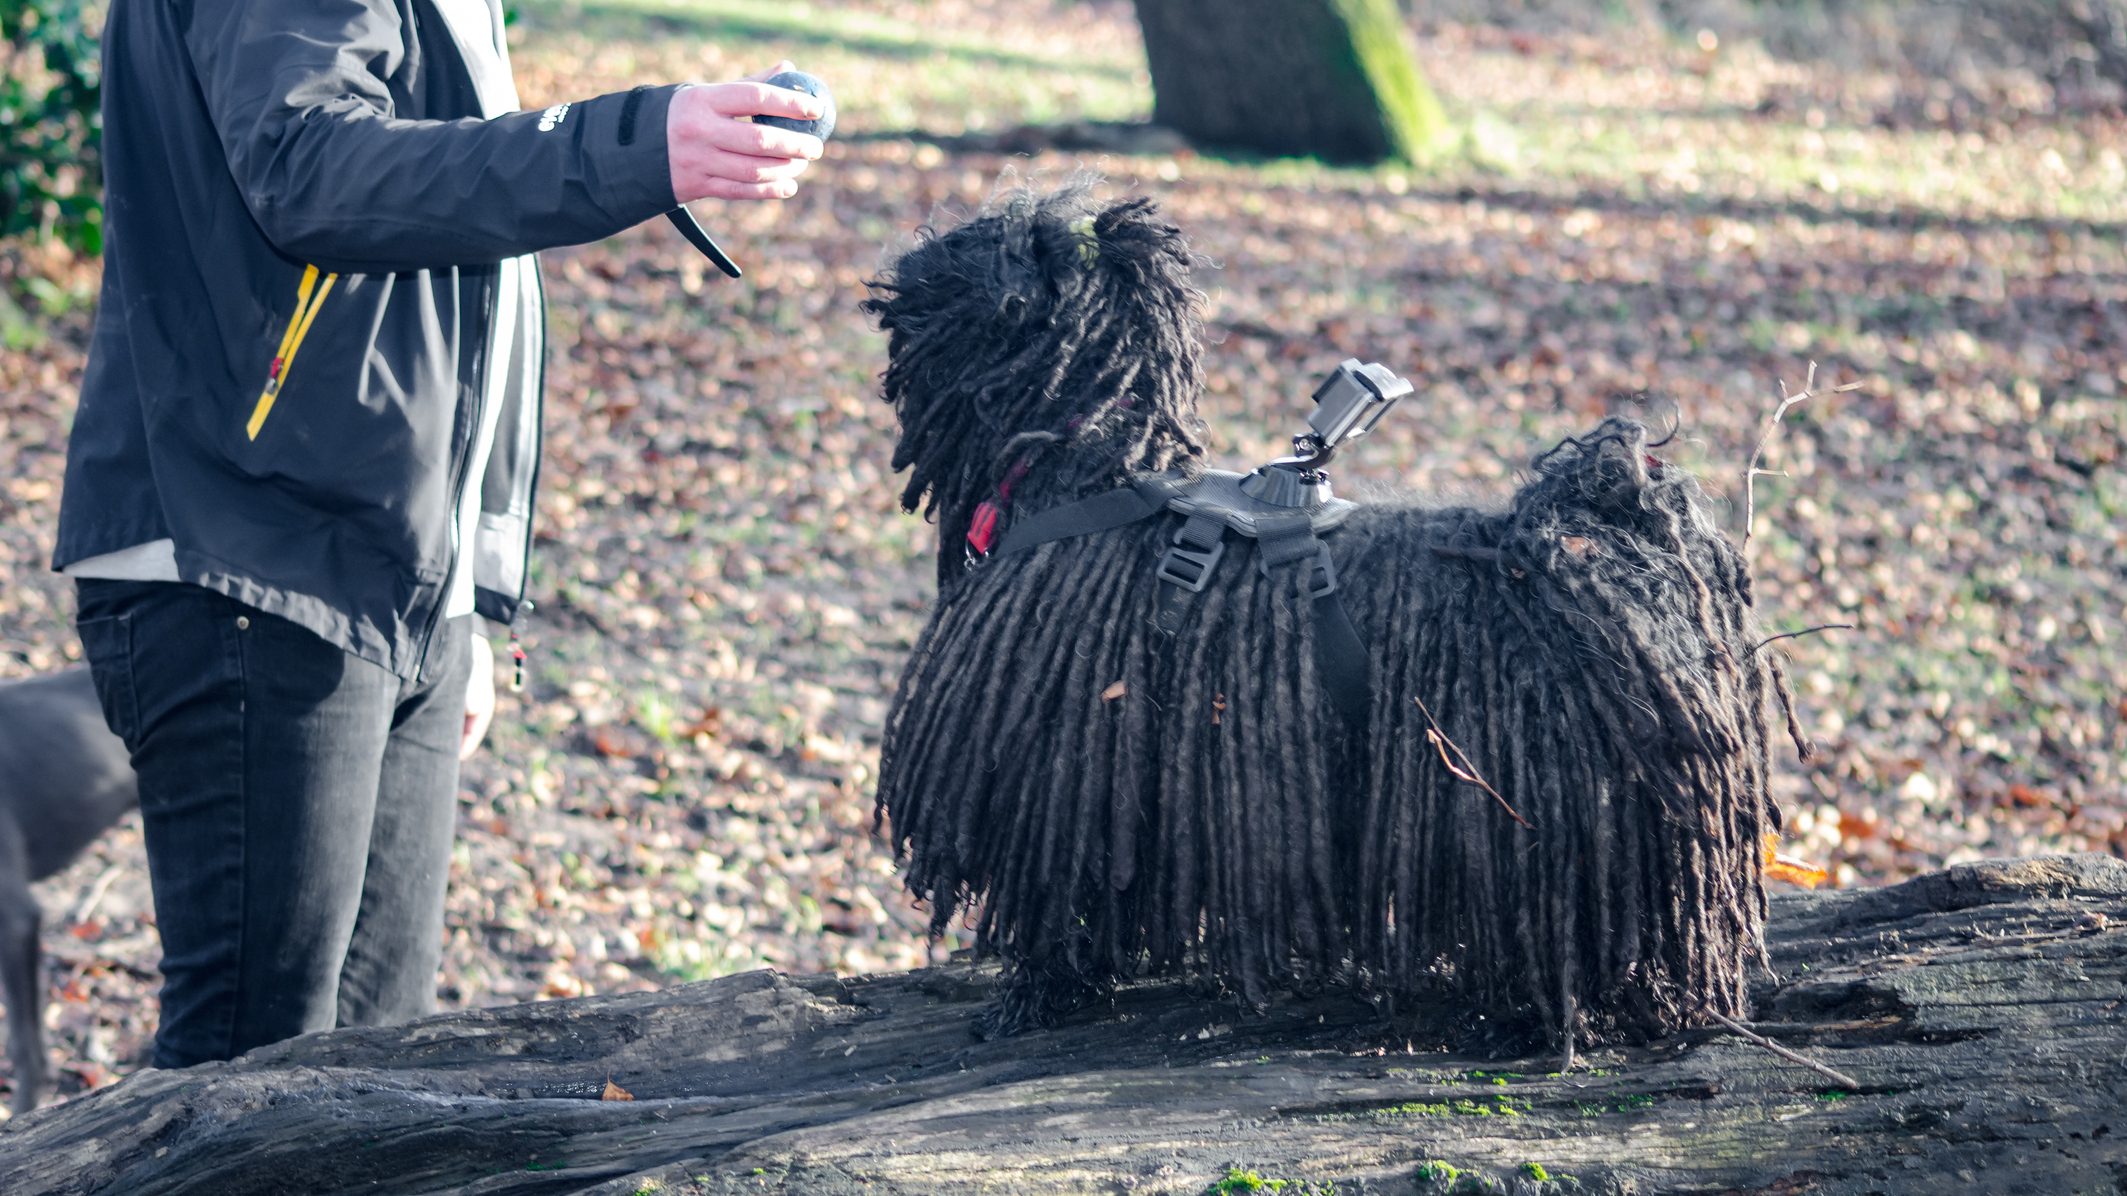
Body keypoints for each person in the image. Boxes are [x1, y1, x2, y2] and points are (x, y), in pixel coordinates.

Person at [52, 0, 823, 1069]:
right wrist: (639, 144)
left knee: (374, 1076)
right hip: (249, 556)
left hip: (391, 573)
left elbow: (448, 276)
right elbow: (311, 169)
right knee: (247, 1077)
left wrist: (461, 584)